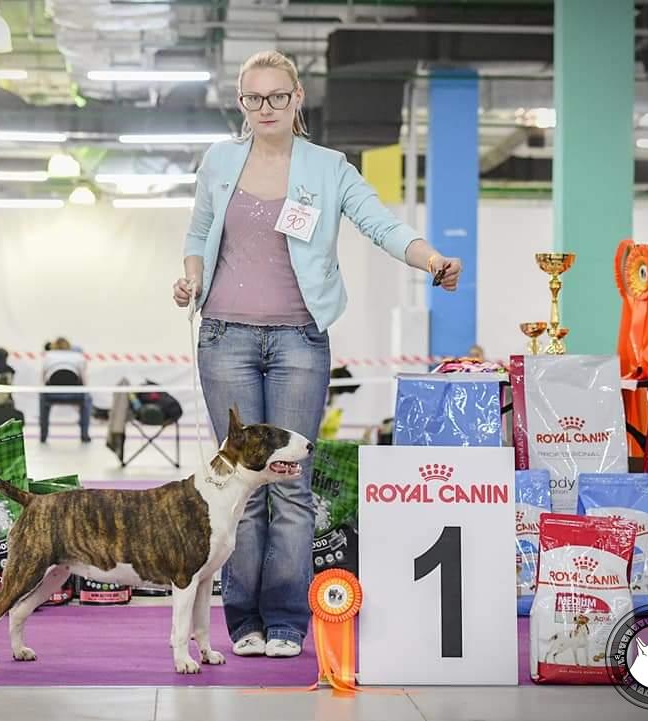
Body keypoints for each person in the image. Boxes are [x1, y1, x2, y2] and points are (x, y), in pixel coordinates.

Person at [172, 50, 463, 658]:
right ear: (241, 103)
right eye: (254, 98)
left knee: (291, 482)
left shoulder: (330, 168)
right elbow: (199, 231)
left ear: (298, 98)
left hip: (301, 340)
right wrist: (191, 277)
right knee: (238, 487)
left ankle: (286, 621)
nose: (266, 108)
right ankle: (242, 622)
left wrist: (431, 258)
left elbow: (381, 226)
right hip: (224, 336)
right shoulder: (220, 161)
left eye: (278, 96)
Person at [39, 337, 92, 443]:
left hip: (52, 394)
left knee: (42, 399)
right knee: (87, 400)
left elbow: (43, 379)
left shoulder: (48, 356)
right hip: (74, 394)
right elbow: (84, 379)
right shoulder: (78, 356)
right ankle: (84, 434)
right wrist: (86, 392)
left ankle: (43, 435)